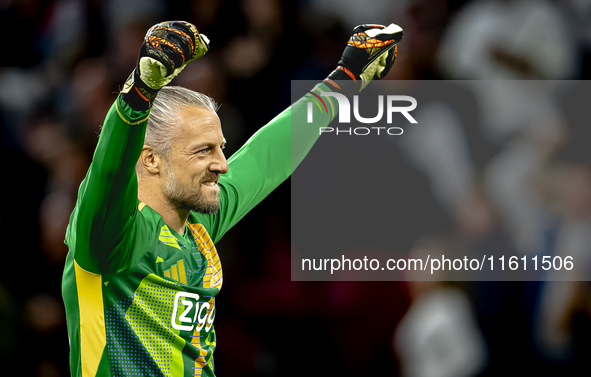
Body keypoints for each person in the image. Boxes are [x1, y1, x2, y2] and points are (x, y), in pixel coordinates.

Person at [62, 20, 402, 376]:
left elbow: (267, 157)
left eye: (220, 149)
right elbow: (108, 175)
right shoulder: (109, 239)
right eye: (203, 151)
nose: (222, 165)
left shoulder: (197, 223)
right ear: (150, 159)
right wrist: (139, 95)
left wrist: (343, 79)